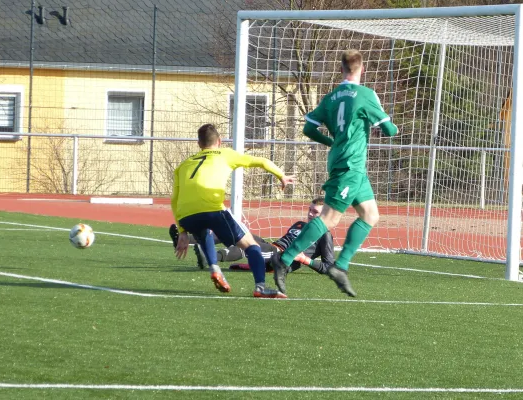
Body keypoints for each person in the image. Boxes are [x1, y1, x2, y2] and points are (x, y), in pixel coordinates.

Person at [271, 49, 398, 297]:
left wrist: (333, 142)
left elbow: (309, 129)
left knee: (371, 214)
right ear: (362, 69)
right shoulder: (366, 94)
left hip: (351, 166)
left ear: (341, 69)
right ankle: (284, 259)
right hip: (349, 165)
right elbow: (390, 131)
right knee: (329, 218)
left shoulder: (331, 96)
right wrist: (378, 125)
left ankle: (340, 266)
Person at [171, 123, 295, 298]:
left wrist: (182, 231)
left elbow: (174, 199)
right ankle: (260, 287)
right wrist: (281, 175)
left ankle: (215, 268)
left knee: (204, 232)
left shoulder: (183, 165)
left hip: (187, 215)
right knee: (251, 245)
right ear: (219, 141)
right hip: (213, 209)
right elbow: (261, 161)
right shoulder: (226, 154)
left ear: (199, 144)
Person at [169, 197, 334, 274]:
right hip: (273, 247)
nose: (311, 214)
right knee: (236, 230)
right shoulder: (299, 224)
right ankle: (185, 240)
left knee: (248, 246)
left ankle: (210, 256)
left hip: (280, 258)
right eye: (310, 210)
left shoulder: (324, 234)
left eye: (316, 212)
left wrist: (305, 260)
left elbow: (329, 267)